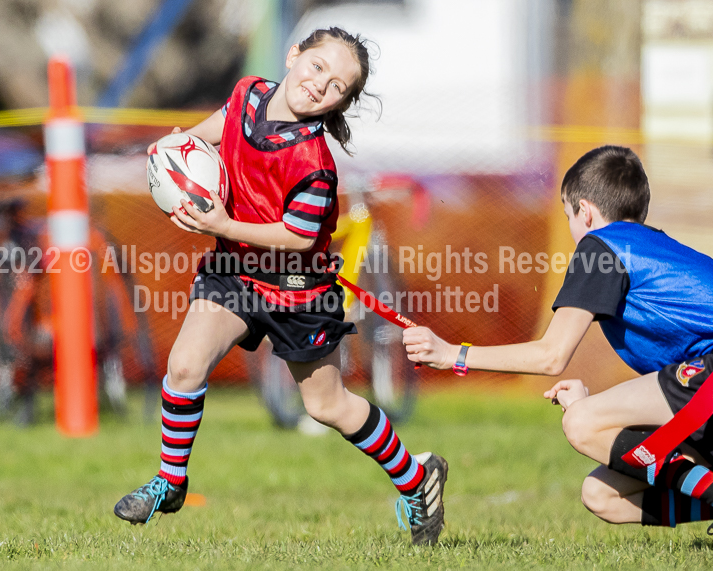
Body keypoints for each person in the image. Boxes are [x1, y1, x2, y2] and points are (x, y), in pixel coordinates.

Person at [114, 27, 448, 545]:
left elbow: (297, 237)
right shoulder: (248, 93)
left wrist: (222, 225)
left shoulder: (314, 162)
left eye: (337, 86)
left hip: (298, 289)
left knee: (327, 406)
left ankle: (416, 477)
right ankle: (170, 481)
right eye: (317, 67)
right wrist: (176, 149)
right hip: (233, 274)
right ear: (295, 56)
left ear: (342, 103)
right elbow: (219, 126)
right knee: (184, 365)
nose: (320, 85)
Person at [402, 145, 713, 530]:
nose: (570, 229)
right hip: (702, 384)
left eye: (568, 215)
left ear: (586, 211)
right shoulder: (654, 245)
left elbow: (551, 356)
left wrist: (454, 355)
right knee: (602, 495)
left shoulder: (601, 247)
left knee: (582, 424)